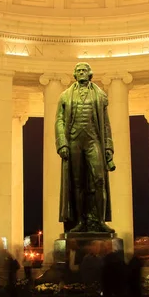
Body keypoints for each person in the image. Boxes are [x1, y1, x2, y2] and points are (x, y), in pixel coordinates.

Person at [55, 62, 115, 233]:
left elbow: (105, 124)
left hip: (93, 140)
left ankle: (99, 220)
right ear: (74, 74)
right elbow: (59, 120)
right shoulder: (65, 96)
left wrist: (108, 147)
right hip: (74, 140)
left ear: (90, 74)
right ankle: (80, 221)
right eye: (79, 70)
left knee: (99, 179)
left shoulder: (100, 95)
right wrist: (62, 143)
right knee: (77, 182)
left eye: (84, 70)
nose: (81, 73)